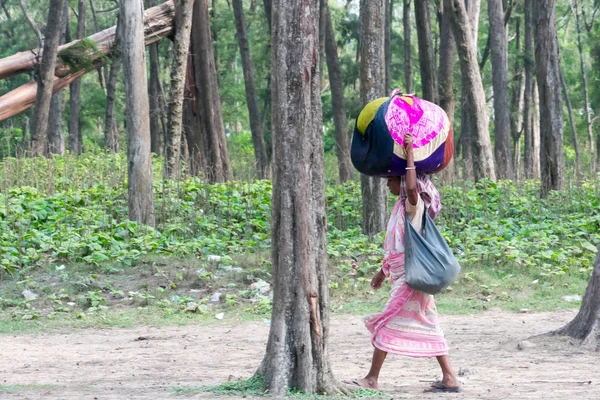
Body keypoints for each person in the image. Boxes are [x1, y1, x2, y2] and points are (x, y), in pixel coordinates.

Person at [345, 132, 461, 394]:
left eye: (390, 181)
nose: (387, 186)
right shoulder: (399, 209)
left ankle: (372, 378)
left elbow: (411, 187)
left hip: (411, 277)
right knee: (430, 322)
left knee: (386, 321)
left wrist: (409, 151)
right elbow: (397, 247)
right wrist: (381, 273)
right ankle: (450, 377)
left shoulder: (414, 206)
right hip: (403, 275)